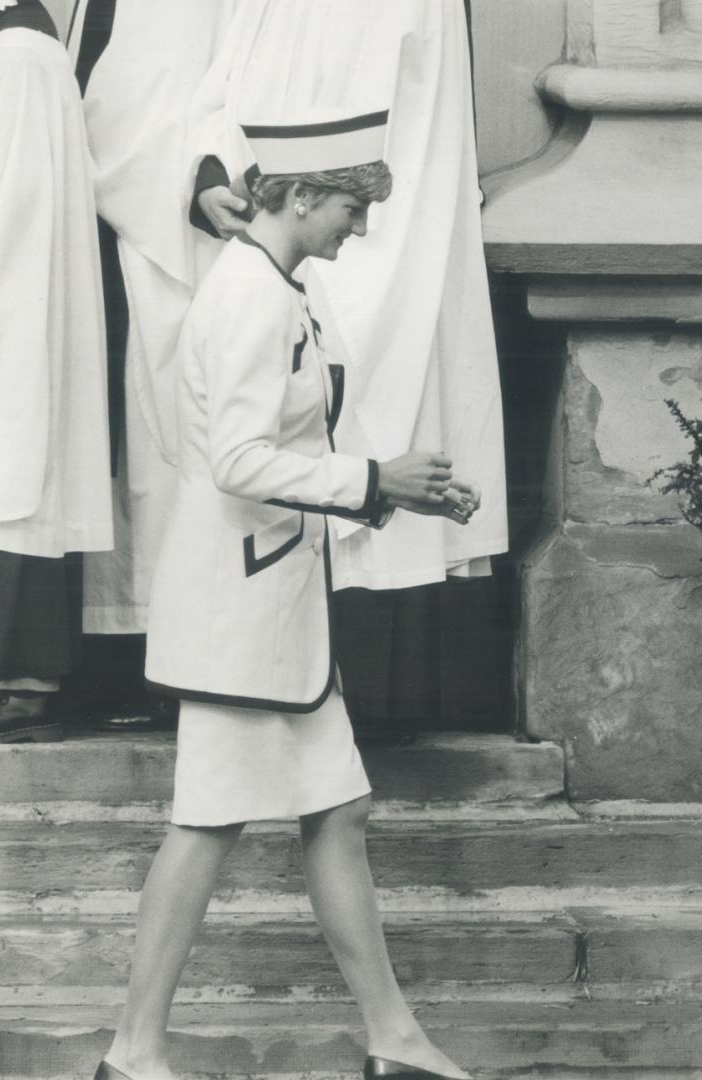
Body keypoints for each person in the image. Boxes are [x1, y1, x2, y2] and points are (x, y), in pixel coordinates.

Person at [95, 107, 475, 1080]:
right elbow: (237, 460)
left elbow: (288, 454)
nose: (358, 228)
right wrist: (371, 481)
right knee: (207, 823)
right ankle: (132, 1052)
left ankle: (392, 1037)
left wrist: (385, 495)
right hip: (240, 616)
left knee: (337, 812)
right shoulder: (250, 299)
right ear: (299, 198)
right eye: (349, 209)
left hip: (278, 614)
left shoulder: (280, 287)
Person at [185, 0, 508, 741]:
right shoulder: (251, 292)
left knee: (335, 800)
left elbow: (392, 152)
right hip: (278, 234)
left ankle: (371, 691)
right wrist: (212, 170)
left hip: (340, 245)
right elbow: (228, 83)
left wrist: (337, 241)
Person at [64, 0, 238, 731]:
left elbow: (156, 99)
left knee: (157, 451)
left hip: (153, 234)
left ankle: (166, 664)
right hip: (98, 226)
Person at [0, 0, 113, 743]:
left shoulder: (19, 57)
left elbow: (15, 209)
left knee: (17, 468)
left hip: (17, 305)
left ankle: (21, 679)